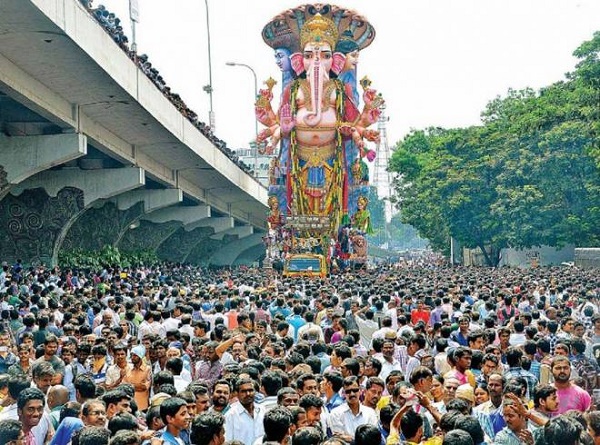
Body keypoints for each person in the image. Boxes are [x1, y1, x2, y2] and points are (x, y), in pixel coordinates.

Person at [328, 376, 378, 442]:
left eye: (355, 390)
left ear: (360, 390)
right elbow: (339, 440)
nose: (352, 394)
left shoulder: (370, 413)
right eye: (348, 391)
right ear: (343, 393)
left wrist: (351, 439)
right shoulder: (336, 413)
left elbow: (372, 438)